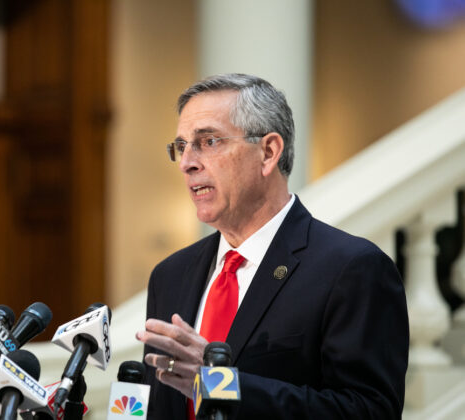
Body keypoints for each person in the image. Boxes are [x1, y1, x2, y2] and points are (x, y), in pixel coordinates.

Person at [135, 73, 409, 419]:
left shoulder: (352, 268)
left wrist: (218, 385)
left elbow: (370, 412)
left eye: (208, 142)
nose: (188, 162)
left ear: (268, 152)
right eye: (181, 146)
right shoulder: (170, 275)